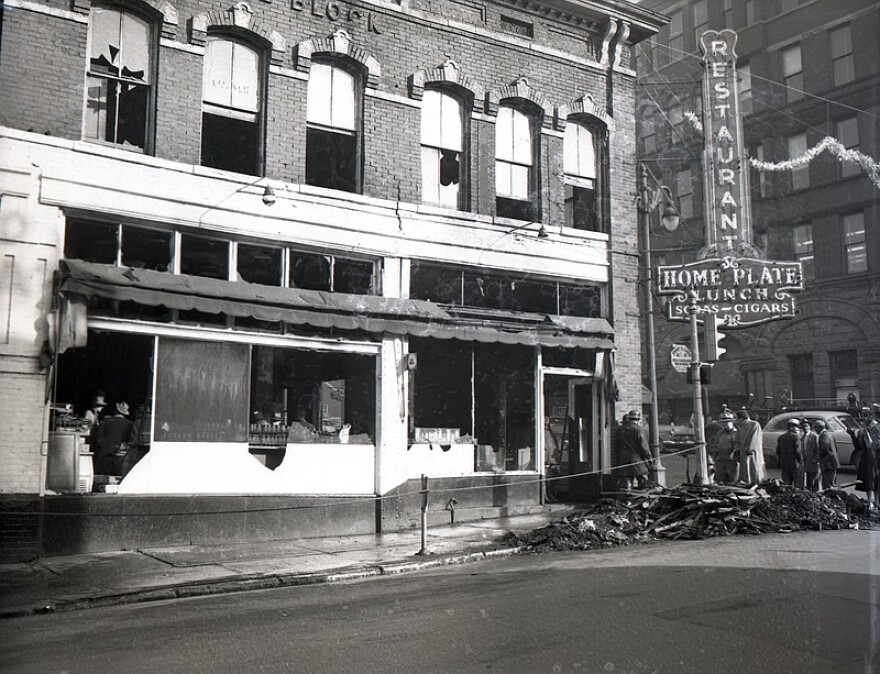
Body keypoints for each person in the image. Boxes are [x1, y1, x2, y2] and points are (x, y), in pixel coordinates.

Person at [614, 410, 653, 490]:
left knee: (626, 481)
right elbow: (644, 447)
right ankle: (641, 499)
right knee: (643, 481)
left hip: (623, 459)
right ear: (637, 419)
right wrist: (649, 458)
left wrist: (618, 458)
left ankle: (626, 499)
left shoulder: (620, 429)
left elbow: (617, 446)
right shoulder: (638, 429)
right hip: (636, 459)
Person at [93, 402, 135, 475]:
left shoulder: (105, 421)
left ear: (116, 410)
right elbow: (130, 441)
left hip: (104, 455)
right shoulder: (130, 424)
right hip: (121, 456)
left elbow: (98, 438)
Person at [859, 403, 880, 510]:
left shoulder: (876, 431)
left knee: (876, 481)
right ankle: (872, 502)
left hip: (876, 458)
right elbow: (861, 446)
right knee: (870, 481)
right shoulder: (865, 434)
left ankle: (876, 501)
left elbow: (876, 444)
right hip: (869, 459)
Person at [735, 409, 765, 484]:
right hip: (743, 452)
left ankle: (757, 484)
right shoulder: (740, 427)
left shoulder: (755, 424)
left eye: (737, 419)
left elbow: (755, 438)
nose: (736, 421)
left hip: (752, 453)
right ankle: (746, 484)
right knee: (745, 470)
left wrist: (750, 449)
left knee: (754, 468)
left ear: (741, 418)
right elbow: (737, 438)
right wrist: (737, 449)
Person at [709, 411, 739, 484]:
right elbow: (716, 445)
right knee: (719, 480)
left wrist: (734, 453)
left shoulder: (736, 433)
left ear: (732, 422)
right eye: (724, 423)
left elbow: (737, 446)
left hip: (731, 461)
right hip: (720, 460)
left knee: (733, 480)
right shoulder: (720, 433)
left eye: (727, 422)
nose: (725, 424)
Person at [776, 419, 805, 487]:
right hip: (795, 463)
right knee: (798, 484)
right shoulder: (796, 437)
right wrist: (801, 461)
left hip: (785, 463)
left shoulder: (781, 437)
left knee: (786, 484)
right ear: (792, 427)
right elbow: (798, 451)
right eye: (797, 427)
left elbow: (778, 451)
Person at [814, 419, 840, 490]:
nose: (815, 430)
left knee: (827, 484)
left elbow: (824, 448)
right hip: (832, 462)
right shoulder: (829, 434)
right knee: (831, 482)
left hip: (827, 463)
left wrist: (818, 456)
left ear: (819, 427)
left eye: (815, 428)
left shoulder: (824, 436)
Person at [803, 420, 821, 492]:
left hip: (813, 461)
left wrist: (816, 460)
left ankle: (815, 492)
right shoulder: (803, 437)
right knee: (808, 477)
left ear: (810, 427)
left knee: (814, 477)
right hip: (806, 460)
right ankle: (810, 490)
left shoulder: (814, 436)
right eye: (803, 426)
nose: (804, 428)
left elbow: (818, 449)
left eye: (806, 426)